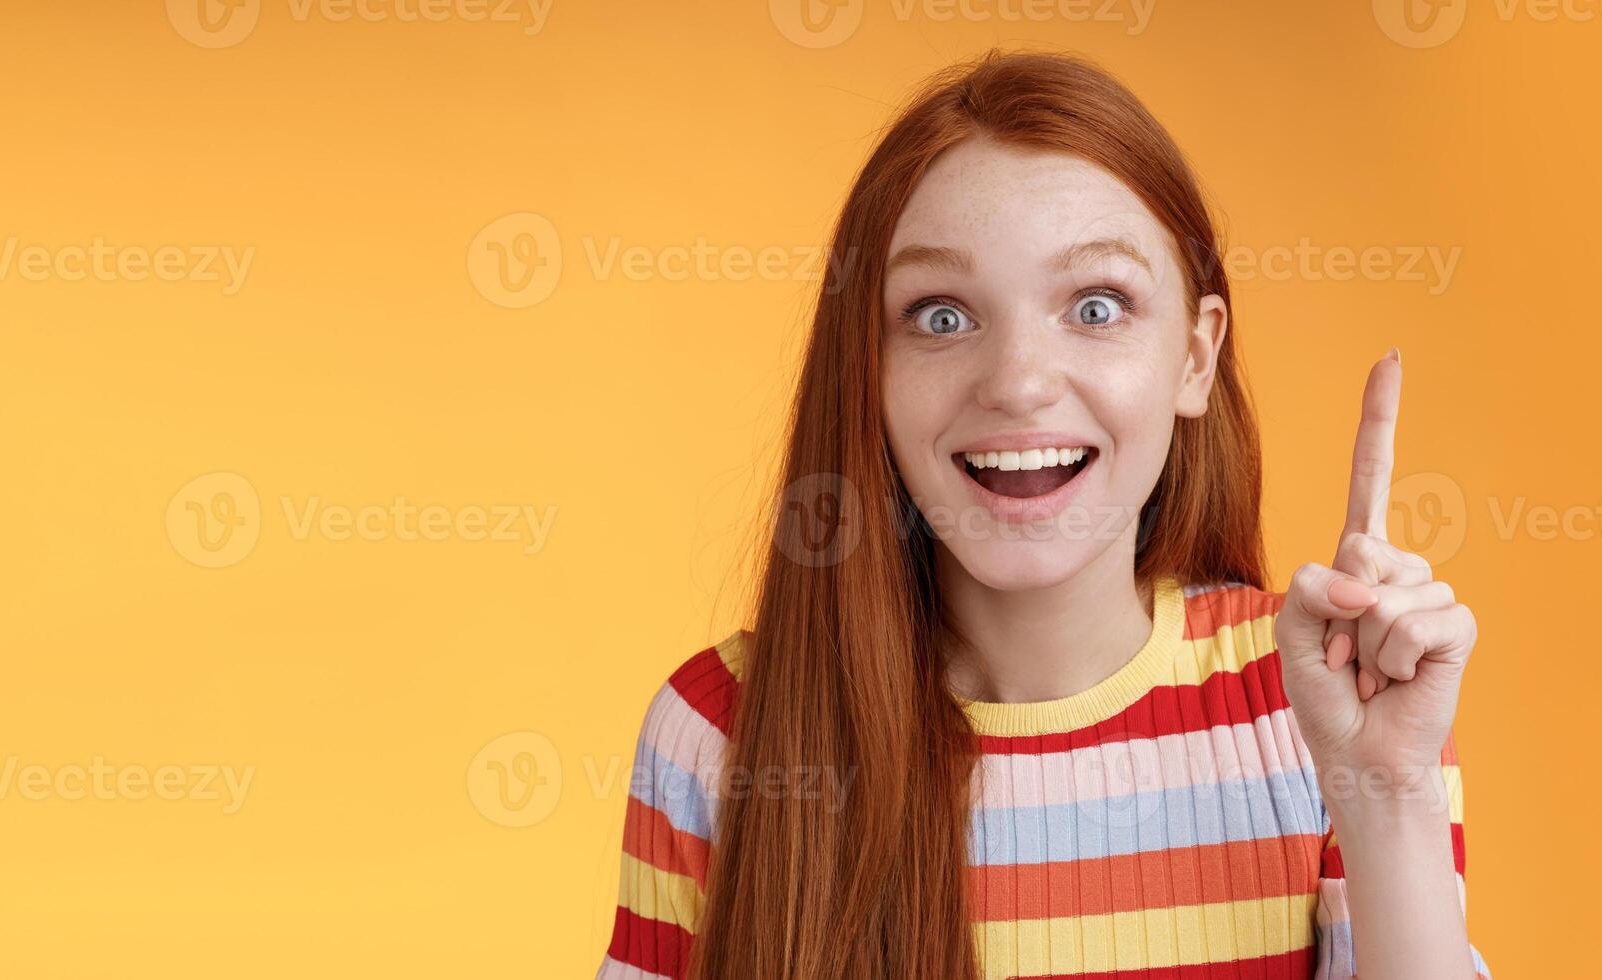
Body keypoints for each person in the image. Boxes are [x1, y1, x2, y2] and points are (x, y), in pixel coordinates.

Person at [594, 50, 1487, 980]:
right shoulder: (717, 737)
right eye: (942, 316)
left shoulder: (1329, 708)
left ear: (1194, 356)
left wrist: (1387, 795)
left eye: (1096, 306)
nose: (1017, 383)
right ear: (869, 367)